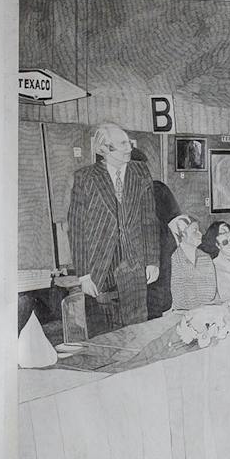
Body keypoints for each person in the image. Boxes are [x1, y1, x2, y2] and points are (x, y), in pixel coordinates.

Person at [66, 121, 160, 335]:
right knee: (103, 332)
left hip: (134, 264)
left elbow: (149, 220)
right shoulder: (85, 178)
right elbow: (77, 228)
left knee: (138, 329)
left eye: (129, 142)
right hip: (100, 267)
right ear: (104, 149)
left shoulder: (141, 172)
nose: (129, 148)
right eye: (122, 144)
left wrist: (153, 260)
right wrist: (84, 275)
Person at [138, 147, 181, 320]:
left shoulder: (158, 189)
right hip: (137, 257)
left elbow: (176, 222)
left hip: (163, 251)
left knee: (160, 299)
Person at [165, 213, 218, 310]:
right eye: (195, 231)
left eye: (199, 230)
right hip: (182, 312)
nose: (200, 234)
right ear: (182, 234)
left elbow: (210, 291)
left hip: (206, 308)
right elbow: (179, 297)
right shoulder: (174, 259)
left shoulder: (205, 257)